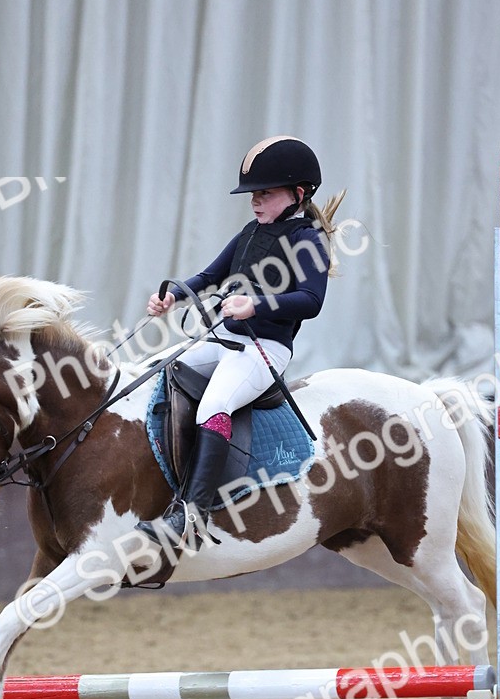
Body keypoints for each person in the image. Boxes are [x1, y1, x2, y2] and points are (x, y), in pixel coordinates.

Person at [135, 135, 345, 549]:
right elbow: (209, 275)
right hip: (226, 338)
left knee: (215, 405)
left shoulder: (309, 241)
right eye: (252, 194)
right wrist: (173, 297)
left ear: (298, 194)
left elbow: (311, 301)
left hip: (264, 350)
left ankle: (193, 515)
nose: (254, 201)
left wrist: (256, 305)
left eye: (264, 193)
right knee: (159, 371)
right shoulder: (251, 232)